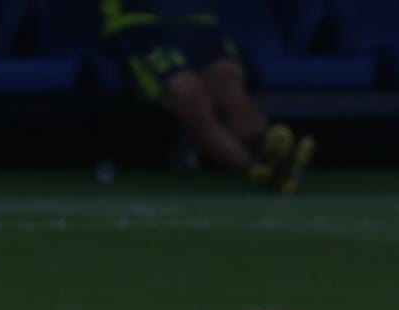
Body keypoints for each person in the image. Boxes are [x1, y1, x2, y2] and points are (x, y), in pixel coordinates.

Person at [100, 1, 312, 191]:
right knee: (189, 93)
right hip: (140, 22)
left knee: (228, 78)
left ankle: (267, 148)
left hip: (197, 20)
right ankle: (257, 168)